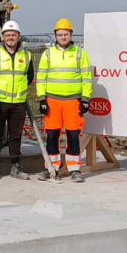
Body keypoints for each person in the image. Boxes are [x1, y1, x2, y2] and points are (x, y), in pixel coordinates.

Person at [35, 18, 92, 182]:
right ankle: (51, 168)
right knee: (52, 136)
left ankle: (74, 169)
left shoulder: (80, 53)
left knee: (73, 136)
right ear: (55, 35)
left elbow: (86, 77)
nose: (63, 37)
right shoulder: (48, 54)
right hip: (52, 101)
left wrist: (85, 99)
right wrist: (41, 99)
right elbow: (41, 77)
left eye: (65, 34)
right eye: (60, 34)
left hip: (73, 101)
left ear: (71, 34)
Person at [0, 20, 34, 180]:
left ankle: (15, 166)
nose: (10, 37)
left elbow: (29, 76)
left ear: (18, 36)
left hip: (18, 103)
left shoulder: (26, 55)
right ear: (3, 37)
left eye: (13, 35)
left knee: (16, 136)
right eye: (7, 35)